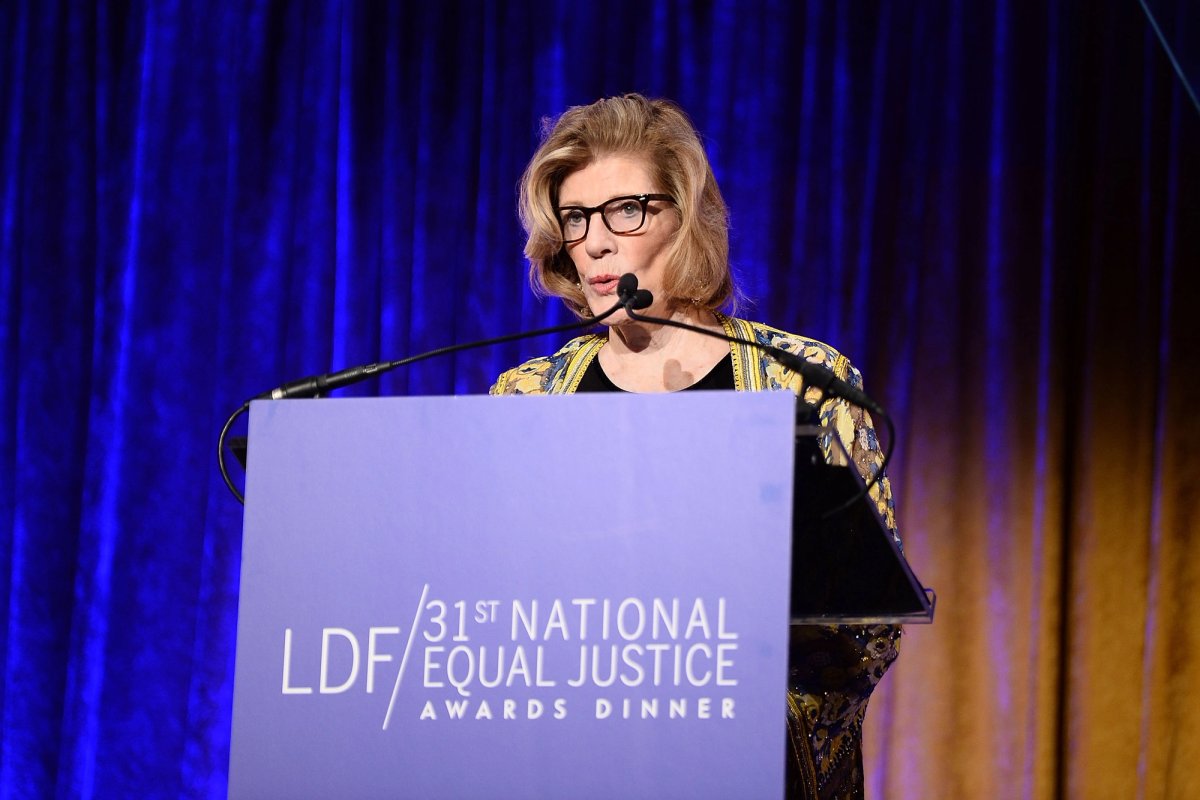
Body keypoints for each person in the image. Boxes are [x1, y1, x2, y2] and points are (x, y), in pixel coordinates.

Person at [491, 93, 901, 800]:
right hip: (575, 767)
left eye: (626, 210)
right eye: (576, 217)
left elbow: (867, 630)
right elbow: (493, 611)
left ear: (685, 218)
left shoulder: (799, 383)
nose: (594, 242)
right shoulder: (526, 397)